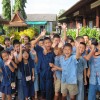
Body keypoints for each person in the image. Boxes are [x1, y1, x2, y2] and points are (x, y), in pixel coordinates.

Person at [31, 30, 55, 100]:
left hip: (49, 74)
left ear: (51, 43)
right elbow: (32, 43)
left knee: (49, 90)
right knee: (42, 89)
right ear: (43, 44)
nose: (48, 44)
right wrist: (41, 36)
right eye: (46, 43)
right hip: (41, 73)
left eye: (49, 43)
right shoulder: (40, 49)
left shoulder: (53, 52)